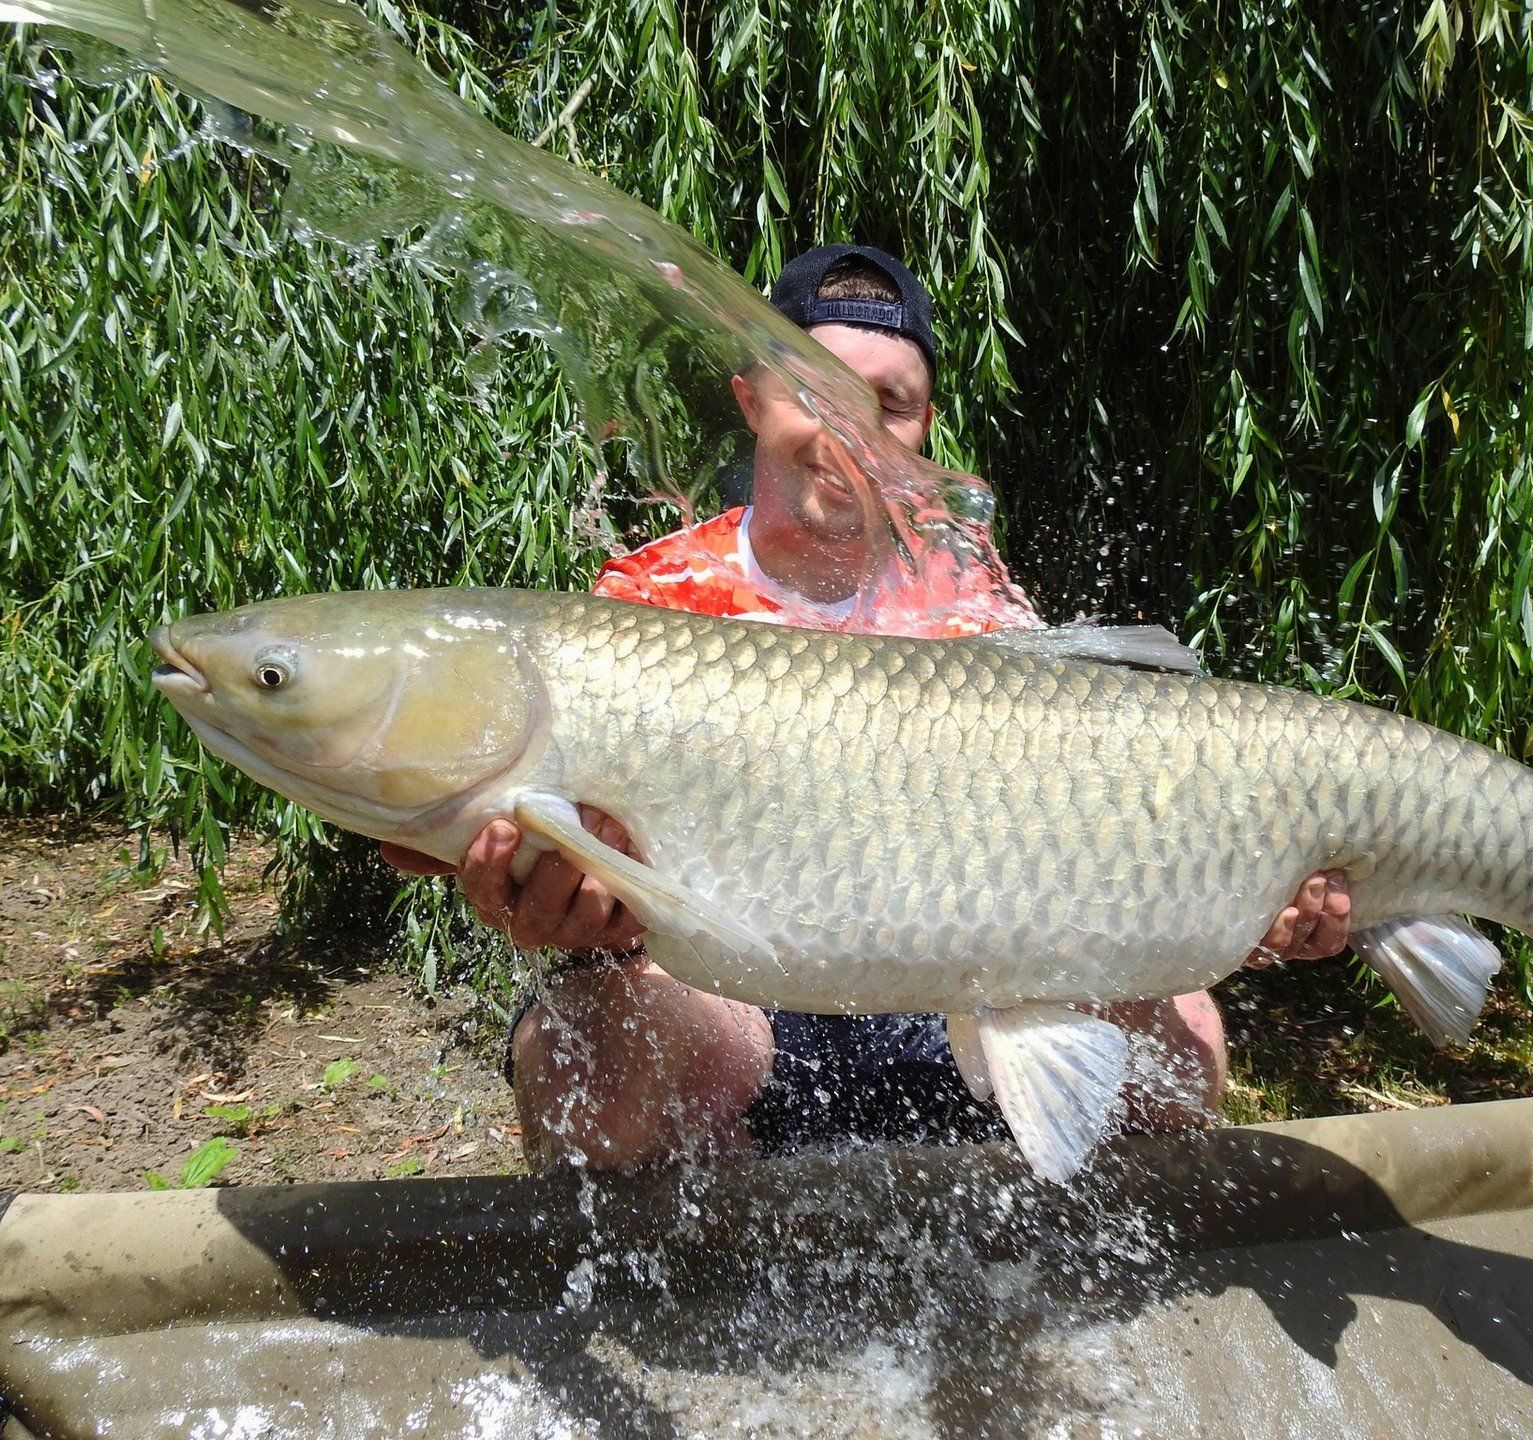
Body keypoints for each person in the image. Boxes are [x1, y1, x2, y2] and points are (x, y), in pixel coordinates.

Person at [384, 244, 1352, 1170]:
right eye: (819, 392)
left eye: (890, 404)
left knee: (1187, 1056)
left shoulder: (972, 600)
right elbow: (584, 868)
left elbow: (1093, 838)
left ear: (925, 424)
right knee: (584, 1078)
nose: (852, 433)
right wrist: (571, 902)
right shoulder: (649, 600)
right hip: (731, 988)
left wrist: (1239, 902)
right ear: (752, 399)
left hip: (950, 973)